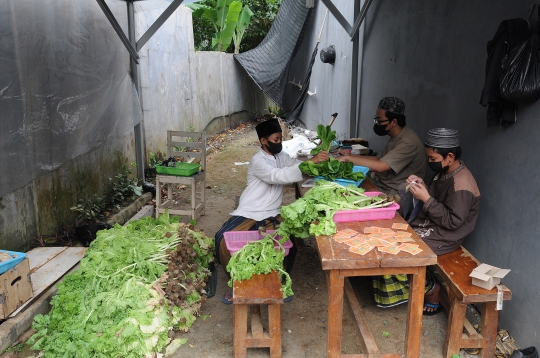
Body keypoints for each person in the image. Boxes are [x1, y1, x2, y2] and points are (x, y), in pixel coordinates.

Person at [214, 118, 329, 304]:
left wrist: (315, 163)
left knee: (290, 241)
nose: (279, 143)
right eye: (276, 140)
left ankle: (278, 284)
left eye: (280, 139)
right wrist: (312, 162)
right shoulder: (257, 161)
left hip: (271, 212)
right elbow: (278, 176)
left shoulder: (281, 156)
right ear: (263, 141)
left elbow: (295, 166)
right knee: (222, 240)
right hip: (249, 211)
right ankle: (238, 284)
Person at [372, 128, 481, 315]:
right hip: (430, 225)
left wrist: (426, 199)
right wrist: (422, 185)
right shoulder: (446, 171)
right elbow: (436, 199)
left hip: (446, 235)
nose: (430, 162)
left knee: (396, 251)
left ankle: (430, 289)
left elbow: (453, 221)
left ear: (449, 156)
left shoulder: (462, 184)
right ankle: (420, 285)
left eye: (433, 159)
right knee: (384, 237)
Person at [336, 97, 426, 196]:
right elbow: (378, 159)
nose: (377, 123)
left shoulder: (408, 142)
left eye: (380, 120)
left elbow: (380, 166)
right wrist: (351, 156)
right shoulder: (396, 137)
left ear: (394, 122)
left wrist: (346, 159)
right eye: (376, 120)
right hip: (383, 186)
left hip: (397, 193)